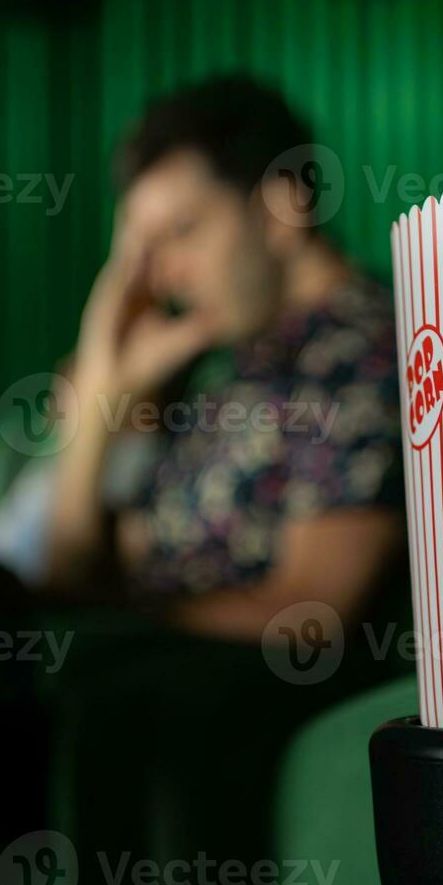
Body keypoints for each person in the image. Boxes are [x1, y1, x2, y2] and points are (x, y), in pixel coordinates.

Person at [39, 77, 404, 641]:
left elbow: (310, 617)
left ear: (281, 211)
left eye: (183, 231)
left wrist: (106, 625)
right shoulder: (230, 363)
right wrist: (101, 386)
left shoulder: (363, 358)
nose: (163, 274)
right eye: (145, 249)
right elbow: (69, 565)